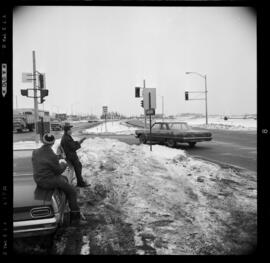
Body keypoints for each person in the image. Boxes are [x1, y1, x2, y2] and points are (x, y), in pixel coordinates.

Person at [32, 133, 85, 225]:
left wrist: (55, 160)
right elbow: (58, 170)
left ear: (42, 141)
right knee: (72, 192)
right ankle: (75, 219)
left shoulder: (35, 152)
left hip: (38, 179)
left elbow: (43, 162)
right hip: (49, 180)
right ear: (52, 143)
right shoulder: (51, 155)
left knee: (63, 181)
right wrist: (63, 163)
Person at [60, 123, 90, 187]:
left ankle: (79, 182)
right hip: (71, 156)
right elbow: (73, 147)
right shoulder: (66, 138)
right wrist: (80, 143)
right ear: (67, 130)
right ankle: (80, 183)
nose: (71, 131)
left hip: (70, 155)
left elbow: (72, 143)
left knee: (78, 166)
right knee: (78, 167)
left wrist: (79, 142)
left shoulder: (67, 137)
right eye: (70, 130)